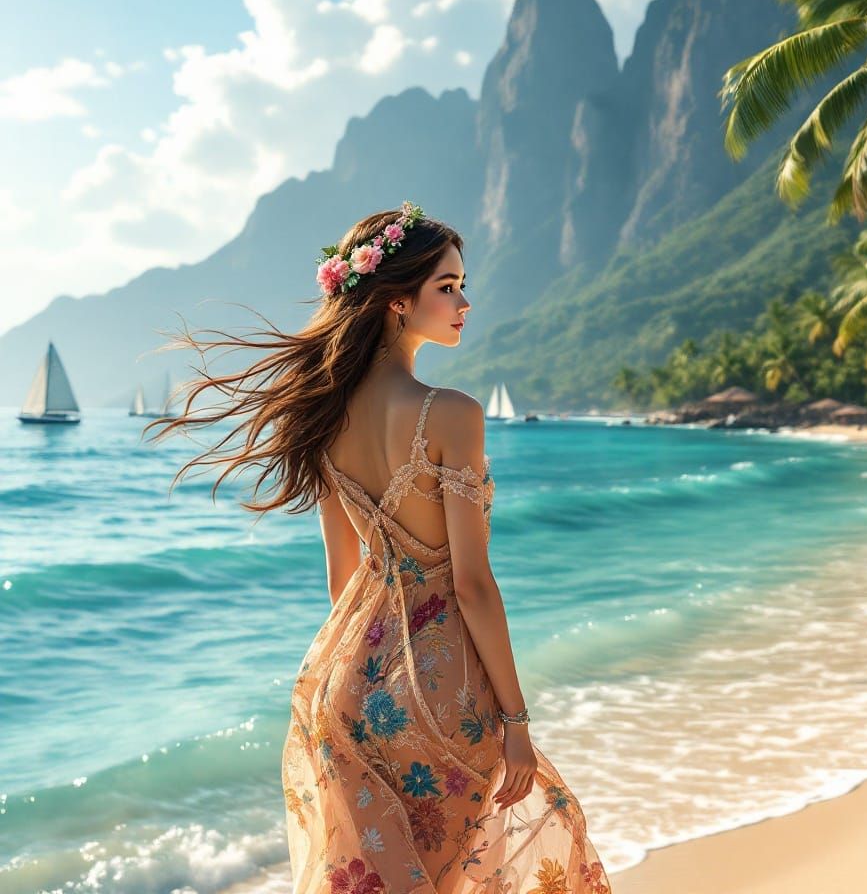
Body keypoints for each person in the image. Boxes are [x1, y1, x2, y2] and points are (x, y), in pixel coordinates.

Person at [143, 202, 610, 894]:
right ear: (397, 301)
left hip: (346, 686)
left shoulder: (322, 413)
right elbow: (472, 585)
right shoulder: (450, 413)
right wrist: (515, 721)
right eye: (447, 287)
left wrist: (371, 678)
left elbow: (343, 579)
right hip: (441, 696)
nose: (464, 302)